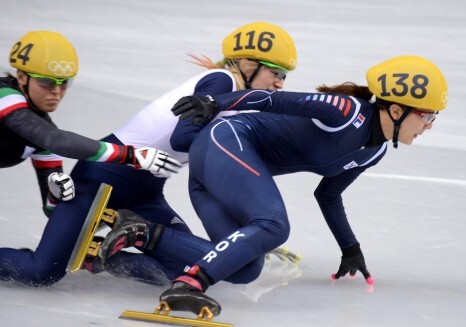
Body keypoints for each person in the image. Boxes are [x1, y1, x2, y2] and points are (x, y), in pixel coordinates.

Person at [101, 55, 448, 316]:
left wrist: (350, 248)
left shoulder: (374, 152)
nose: (430, 126)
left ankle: (135, 239)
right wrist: (213, 103)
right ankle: (189, 284)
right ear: (397, 109)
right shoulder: (345, 110)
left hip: (215, 175)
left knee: (244, 269)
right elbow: (269, 99)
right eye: (428, 116)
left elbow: (328, 194)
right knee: (272, 225)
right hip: (225, 141)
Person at [0, 22, 298, 286]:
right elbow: (184, 139)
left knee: (197, 268)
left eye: (284, 77)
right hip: (103, 178)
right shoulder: (223, 81)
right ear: (247, 64)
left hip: (144, 193)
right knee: (41, 272)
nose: (279, 84)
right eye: (275, 73)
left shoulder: (237, 100)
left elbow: (51, 206)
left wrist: (248, 237)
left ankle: (100, 256)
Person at [1, 30, 180, 217]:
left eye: (64, 83)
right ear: (21, 76)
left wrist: (55, 195)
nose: (56, 91)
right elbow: (57, 141)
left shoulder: (43, 132)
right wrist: (131, 155)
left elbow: (52, 212)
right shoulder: (4, 95)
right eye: (47, 81)